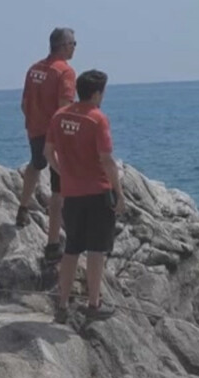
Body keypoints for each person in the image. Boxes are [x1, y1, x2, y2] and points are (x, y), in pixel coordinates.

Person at [45, 70, 126, 323]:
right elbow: (107, 160)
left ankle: (62, 305)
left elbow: (48, 152)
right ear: (97, 93)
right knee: (95, 251)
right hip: (98, 193)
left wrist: (64, 172)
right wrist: (119, 193)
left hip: (71, 193)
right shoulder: (97, 119)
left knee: (71, 249)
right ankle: (93, 304)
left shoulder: (59, 116)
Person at [18, 28, 78, 264]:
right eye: (73, 43)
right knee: (58, 189)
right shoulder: (65, 72)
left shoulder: (34, 69)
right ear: (63, 46)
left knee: (35, 164)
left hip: (35, 129)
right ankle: (52, 244)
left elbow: (24, 103)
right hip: (55, 137)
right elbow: (64, 109)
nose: (75, 47)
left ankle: (22, 208)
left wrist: (34, 123)